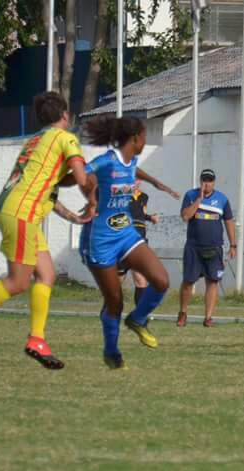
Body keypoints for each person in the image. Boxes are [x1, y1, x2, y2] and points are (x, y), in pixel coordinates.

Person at [0, 91, 96, 370]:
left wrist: (73, 216)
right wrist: (93, 191)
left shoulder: (35, 141)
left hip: (15, 209)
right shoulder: (66, 138)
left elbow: (49, 187)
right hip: (21, 214)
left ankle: (37, 338)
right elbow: (82, 179)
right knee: (18, 282)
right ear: (65, 115)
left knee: (46, 274)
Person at [79, 115, 179, 370]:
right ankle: (111, 351)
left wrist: (156, 182)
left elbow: (135, 170)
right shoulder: (105, 164)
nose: (147, 140)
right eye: (145, 135)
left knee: (161, 280)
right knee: (114, 301)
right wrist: (89, 197)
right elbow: (83, 176)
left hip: (126, 234)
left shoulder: (129, 163)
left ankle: (137, 319)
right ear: (135, 138)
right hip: (99, 239)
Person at [176, 169, 236, 328]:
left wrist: (233, 245)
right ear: (200, 181)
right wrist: (199, 200)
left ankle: (208, 317)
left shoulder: (222, 199)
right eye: (204, 180)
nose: (207, 183)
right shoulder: (190, 195)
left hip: (214, 247)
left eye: (210, 180)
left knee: (213, 281)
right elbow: (185, 216)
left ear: (214, 182)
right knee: (188, 282)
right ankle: (183, 313)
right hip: (193, 247)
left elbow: (229, 221)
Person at [118, 179, 160, 307]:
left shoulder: (144, 197)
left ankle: (139, 315)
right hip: (123, 240)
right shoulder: (120, 194)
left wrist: (150, 217)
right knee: (118, 279)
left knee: (141, 280)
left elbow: (141, 213)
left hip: (140, 241)